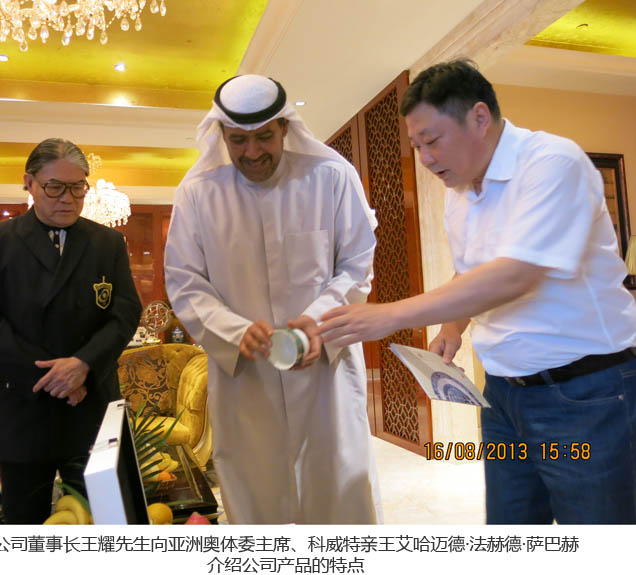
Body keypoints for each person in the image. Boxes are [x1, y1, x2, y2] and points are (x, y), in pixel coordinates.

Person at [318, 60, 636, 524]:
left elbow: (516, 274)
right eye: (417, 145)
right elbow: (472, 271)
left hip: (585, 394)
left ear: (479, 117)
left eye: (432, 141)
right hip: (503, 394)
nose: (425, 158)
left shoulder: (552, 163)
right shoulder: (461, 190)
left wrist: (389, 315)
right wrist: (452, 327)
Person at [164, 74, 382, 524]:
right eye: (238, 139)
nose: (252, 152)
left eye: (264, 136)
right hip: (246, 376)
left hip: (325, 372)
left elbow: (357, 264)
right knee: (259, 494)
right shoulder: (198, 191)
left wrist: (317, 321)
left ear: (284, 127)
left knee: (338, 492)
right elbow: (184, 280)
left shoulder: (331, 176)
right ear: (221, 134)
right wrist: (233, 331)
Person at [0, 138, 142, 524]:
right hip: (21, 406)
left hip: (90, 404)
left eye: (77, 187)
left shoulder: (107, 242)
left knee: (105, 522)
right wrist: (56, 378)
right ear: (29, 182)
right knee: (26, 527)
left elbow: (125, 313)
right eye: (55, 187)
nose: (68, 199)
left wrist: (83, 364)